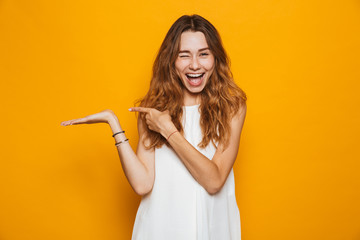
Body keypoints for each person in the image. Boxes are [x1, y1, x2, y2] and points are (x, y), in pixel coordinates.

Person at [61, 14, 247, 240]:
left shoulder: (232, 107)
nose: (195, 65)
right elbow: (142, 184)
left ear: (215, 58)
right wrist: (114, 124)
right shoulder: (154, 110)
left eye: (204, 54)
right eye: (184, 55)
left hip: (212, 230)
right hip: (160, 229)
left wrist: (168, 130)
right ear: (172, 61)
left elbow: (214, 181)